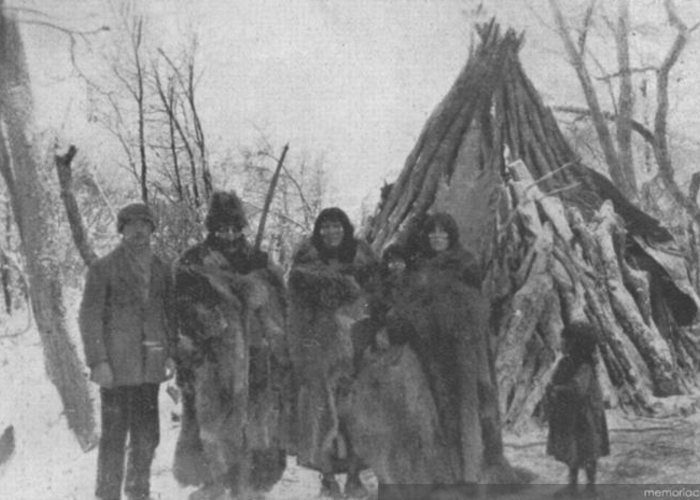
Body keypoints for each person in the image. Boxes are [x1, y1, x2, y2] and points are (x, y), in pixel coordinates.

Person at [172, 191, 290, 500]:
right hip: (211, 353)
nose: (228, 233)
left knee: (253, 417)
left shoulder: (258, 259)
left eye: (234, 226)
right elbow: (179, 302)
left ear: (241, 226)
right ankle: (213, 479)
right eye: (222, 227)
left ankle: (246, 482)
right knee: (211, 419)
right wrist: (203, 317)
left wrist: (257, 291)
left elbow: (279, 301)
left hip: (254, 350)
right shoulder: (194, 259)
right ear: (213, 226)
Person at [79, 203, 176, 500]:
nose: (138, 230)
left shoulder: (161, 268)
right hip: (116, 369)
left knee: (148, 437)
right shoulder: (104, 268)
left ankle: (139, 493)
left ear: (152, 229)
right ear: (121, 229)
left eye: (144, 224)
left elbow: (169, 314)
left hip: (150, 365)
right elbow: (89, 317)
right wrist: (98, 362)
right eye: (131, 224)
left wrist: (170, 352)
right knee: (113, 439)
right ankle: (107, 495)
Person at [287, 207, 378, 499]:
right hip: (320, 352)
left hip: (358, 349)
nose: (331, 231)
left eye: (336, 225)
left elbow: (376, 301)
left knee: (356, 416)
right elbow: (296, 314)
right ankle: (327, 478)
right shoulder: (304, 271)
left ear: (346, 228)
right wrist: (300, 350)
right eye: (325, 227)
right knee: (323, 416)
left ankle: (354, 476)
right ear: (318, 231)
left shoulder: (364, 261)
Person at [546, 321, 610, 498]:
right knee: (573, 450)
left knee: (589, 450)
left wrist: (557, 390)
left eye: (564, 340)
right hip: (571, 414)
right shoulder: (566, 362)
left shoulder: (584, 366)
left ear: (574, 343)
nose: (561, 344)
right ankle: (572, 484)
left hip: (586, 415)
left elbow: (578, 388)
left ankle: (591, 487)